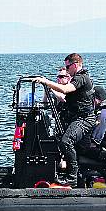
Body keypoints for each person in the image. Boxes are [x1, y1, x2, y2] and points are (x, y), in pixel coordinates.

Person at [36, 53, 96, 185]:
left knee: (66, 142)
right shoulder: (77, 78)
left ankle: (72, 177)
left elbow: (65, 89)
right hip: (78, 118)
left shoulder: (82, 78)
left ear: (75, 65)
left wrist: (46, 81)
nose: (67, 70)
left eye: (68, 67)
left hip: (84, 118)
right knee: (78, 149)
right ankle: (80, 177)